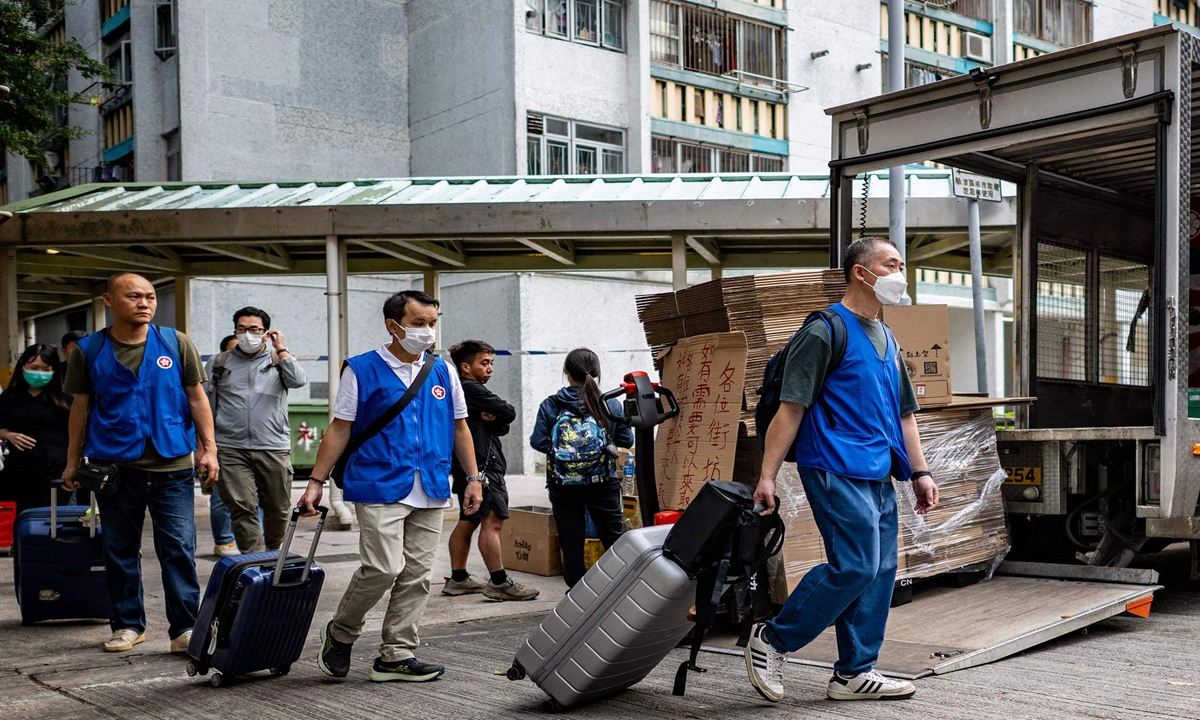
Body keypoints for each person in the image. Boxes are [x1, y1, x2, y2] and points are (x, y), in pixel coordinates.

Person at [745, 236, 940, 703]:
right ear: (861, 271)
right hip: (834, 465)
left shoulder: (888, 337)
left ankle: (854, 673)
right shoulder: (825, 330)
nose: (900, 274)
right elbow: (790, 409)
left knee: (880, 570)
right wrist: (767, 475)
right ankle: (772, 639)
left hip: (878, 471)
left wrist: (920, 471)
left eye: (902, 265)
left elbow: (905, 415)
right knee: (855, 566)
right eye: (892, 264)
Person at [298, 289, 482, 683]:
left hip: (430, 484)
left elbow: (459, 427)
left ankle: (396, 654)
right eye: (419, 324)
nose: (427, 331)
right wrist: (315, 482)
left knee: (418, 574)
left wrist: (473, 478)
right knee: (383, 567)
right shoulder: (361, 369)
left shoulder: (443, 370)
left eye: (432, 323)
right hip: (379, 482)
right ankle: (341, 631)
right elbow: (340, 428)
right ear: (393, 325)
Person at [62, 272, 219, 655]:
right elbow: (80, 409)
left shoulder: (175, 342)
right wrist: (71, 461)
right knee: (118, 549)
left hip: (172, 467)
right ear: (109, 301)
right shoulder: (88, 350)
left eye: (150, 296)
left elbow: (198, 399)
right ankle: (128, 625)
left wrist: (209, 449)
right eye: (134, 296)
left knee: (179, 547)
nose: (145, 303)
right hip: (114, 468)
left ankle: (184, 627)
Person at [529, 348, 633, 588]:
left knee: (571, 539)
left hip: (563, 483)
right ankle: (620, 586)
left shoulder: (551, 404)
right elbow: (627, 441)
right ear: (596, 372)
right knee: (613, 536)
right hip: (603, 481)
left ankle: (577, 593)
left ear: (566, 372)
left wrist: (566, 455)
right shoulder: (610, 404)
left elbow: (537, 441)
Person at [443, 340, 538, 602]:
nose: (490, 369)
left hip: (468, 466)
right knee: (492, 522)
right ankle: (498, 583)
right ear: (465, 367)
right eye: (484, 363)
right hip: (483, 467)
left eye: (491, 363)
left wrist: (496, 417)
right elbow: (509, 411)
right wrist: (498, 414)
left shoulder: (462, 391)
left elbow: (501, 423)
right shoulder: (470, 389)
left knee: (469, 520)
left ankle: (458, 579)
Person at [207, 307, 307, 554]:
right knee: (242, 507)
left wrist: (282, 349)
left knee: (279, 508)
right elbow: (207, 407)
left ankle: (272, 551)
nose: (247, 334)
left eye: (254, 329)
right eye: (242, 329)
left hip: (273, 445)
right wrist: (205, 446)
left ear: (265, 333)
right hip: (231, 447)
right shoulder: (219, 362)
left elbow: (298, 381)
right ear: (235, 331)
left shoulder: (277, 359)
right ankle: (255, 560)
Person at [0, 344, 71, 515]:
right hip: (16, 472)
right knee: (21, 525)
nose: (39, 373)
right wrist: (7, 434)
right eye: (34, 368)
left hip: (55, 473)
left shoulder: (65, 399)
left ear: (54, 370)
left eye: (46, 369)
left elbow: (78, 435)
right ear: (23, 366)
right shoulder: (10, 396)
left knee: (51, 523)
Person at [206, 334, 240, 558]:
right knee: (221, 496)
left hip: (254, 445)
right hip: (223, 443)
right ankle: (224, 541)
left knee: (254, 497)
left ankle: (252, 539)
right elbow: (204, 407)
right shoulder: (216, 369)